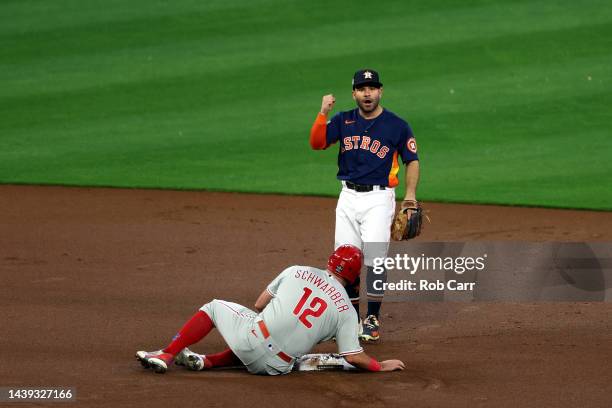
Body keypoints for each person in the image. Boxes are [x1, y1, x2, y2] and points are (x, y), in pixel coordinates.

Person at [136, 245, 405, 375]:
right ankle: (207, 361)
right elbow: (354, 355)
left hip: (251, 341)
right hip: (276, 368)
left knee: (216, 307)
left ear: (330, 262)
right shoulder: (346, 310)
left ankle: (167, 354)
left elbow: (259, 304)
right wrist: (379, 366)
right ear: (354, 277)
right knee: (275, 338)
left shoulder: (296, 270)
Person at [309, 69, 420, 341]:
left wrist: (410, 196)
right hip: (347, 197)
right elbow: (317, 143)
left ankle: (372, 319)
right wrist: (322, 113)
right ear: (354, 93)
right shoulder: (343, 120)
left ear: (380, 91)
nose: (367, 93)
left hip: (378, 200)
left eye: (372, 88)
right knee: (346, 261)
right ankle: (349, 319)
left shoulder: (397, 125)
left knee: (375, 260)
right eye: (362, 88)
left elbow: (412, 160)